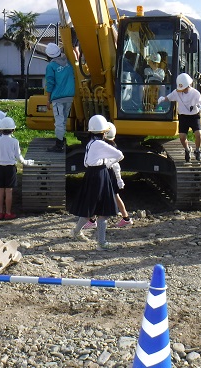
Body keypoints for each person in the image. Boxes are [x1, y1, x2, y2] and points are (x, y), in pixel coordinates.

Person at [69, 115, 123, 251]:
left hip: (91, 175)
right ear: (104, 132)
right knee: (103, 211)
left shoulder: (90, 143)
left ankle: (76, 231)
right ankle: (101, 243)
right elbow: (119, 155)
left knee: (90, 208)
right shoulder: (101, 144)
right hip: (100, 175)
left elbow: (86, 163)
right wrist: (108, 163)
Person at [157, 73, 201, 162]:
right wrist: (162, 99)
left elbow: (200, 102)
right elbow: (169, 97)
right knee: (182, 137)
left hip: (194, 116)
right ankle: (187, 150)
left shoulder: (195, 93)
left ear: (188, 85)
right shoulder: (177, 92)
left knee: (198, 134)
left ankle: (197, 150)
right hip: (183, 116)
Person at [0, 117, 32, 220]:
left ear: (0, 129)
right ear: (13, 129)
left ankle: (0, 212)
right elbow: (18, 156)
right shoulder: (14, 141)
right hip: (10, 168)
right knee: (8, 191)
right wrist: (26, 162)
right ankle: (8, 212)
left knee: (0, 191)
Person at [45, 42, 75, 153]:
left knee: (59, 121)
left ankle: (59, 145)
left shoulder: (51, 66)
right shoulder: (68, 62)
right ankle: (62, 141)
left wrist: (48, 100)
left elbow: (50, 83)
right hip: (70, 96)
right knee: (63, 121)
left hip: (58, 97)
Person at [105, 122, 134, 228]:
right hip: (111, 175)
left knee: (98, 196)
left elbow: (114, 165)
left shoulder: (106, 147)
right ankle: (126, 218)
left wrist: (118, 178)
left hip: (108, 174)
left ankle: (92, 219)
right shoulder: (112, 145)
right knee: (115, 196)